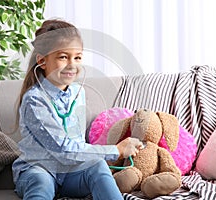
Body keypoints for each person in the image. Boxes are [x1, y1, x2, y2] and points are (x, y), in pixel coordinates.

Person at [12, 19, 143, 200]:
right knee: (41, 182)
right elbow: (64, 150)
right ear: (42, 61)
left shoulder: (78, 93)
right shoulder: (34, 100)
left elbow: (78, 143)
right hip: (39, 168)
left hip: (70, 174)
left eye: (77, 57)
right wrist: (116, 150)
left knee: (97, 165)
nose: (72, 64)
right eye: (63, 57)